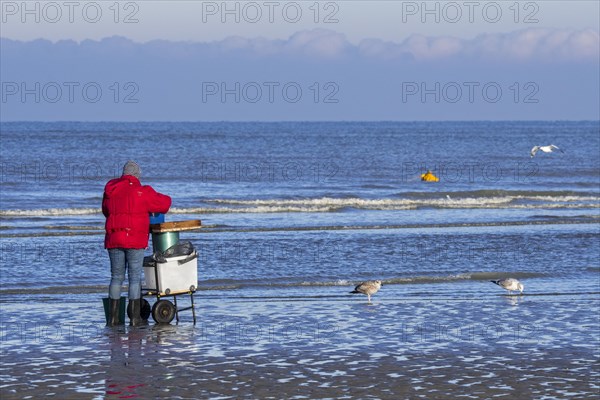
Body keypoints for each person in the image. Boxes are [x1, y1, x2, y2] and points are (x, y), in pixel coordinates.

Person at [103, 161, 172, 326]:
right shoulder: (142, 191)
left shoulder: (110, 190)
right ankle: (134, 319)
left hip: (114, 238)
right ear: (137, 175)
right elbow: (165, 204)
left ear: (123, 174)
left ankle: (113, 320)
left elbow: (105, 211)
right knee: (134, 279)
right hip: (135, 239)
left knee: (116, 277)